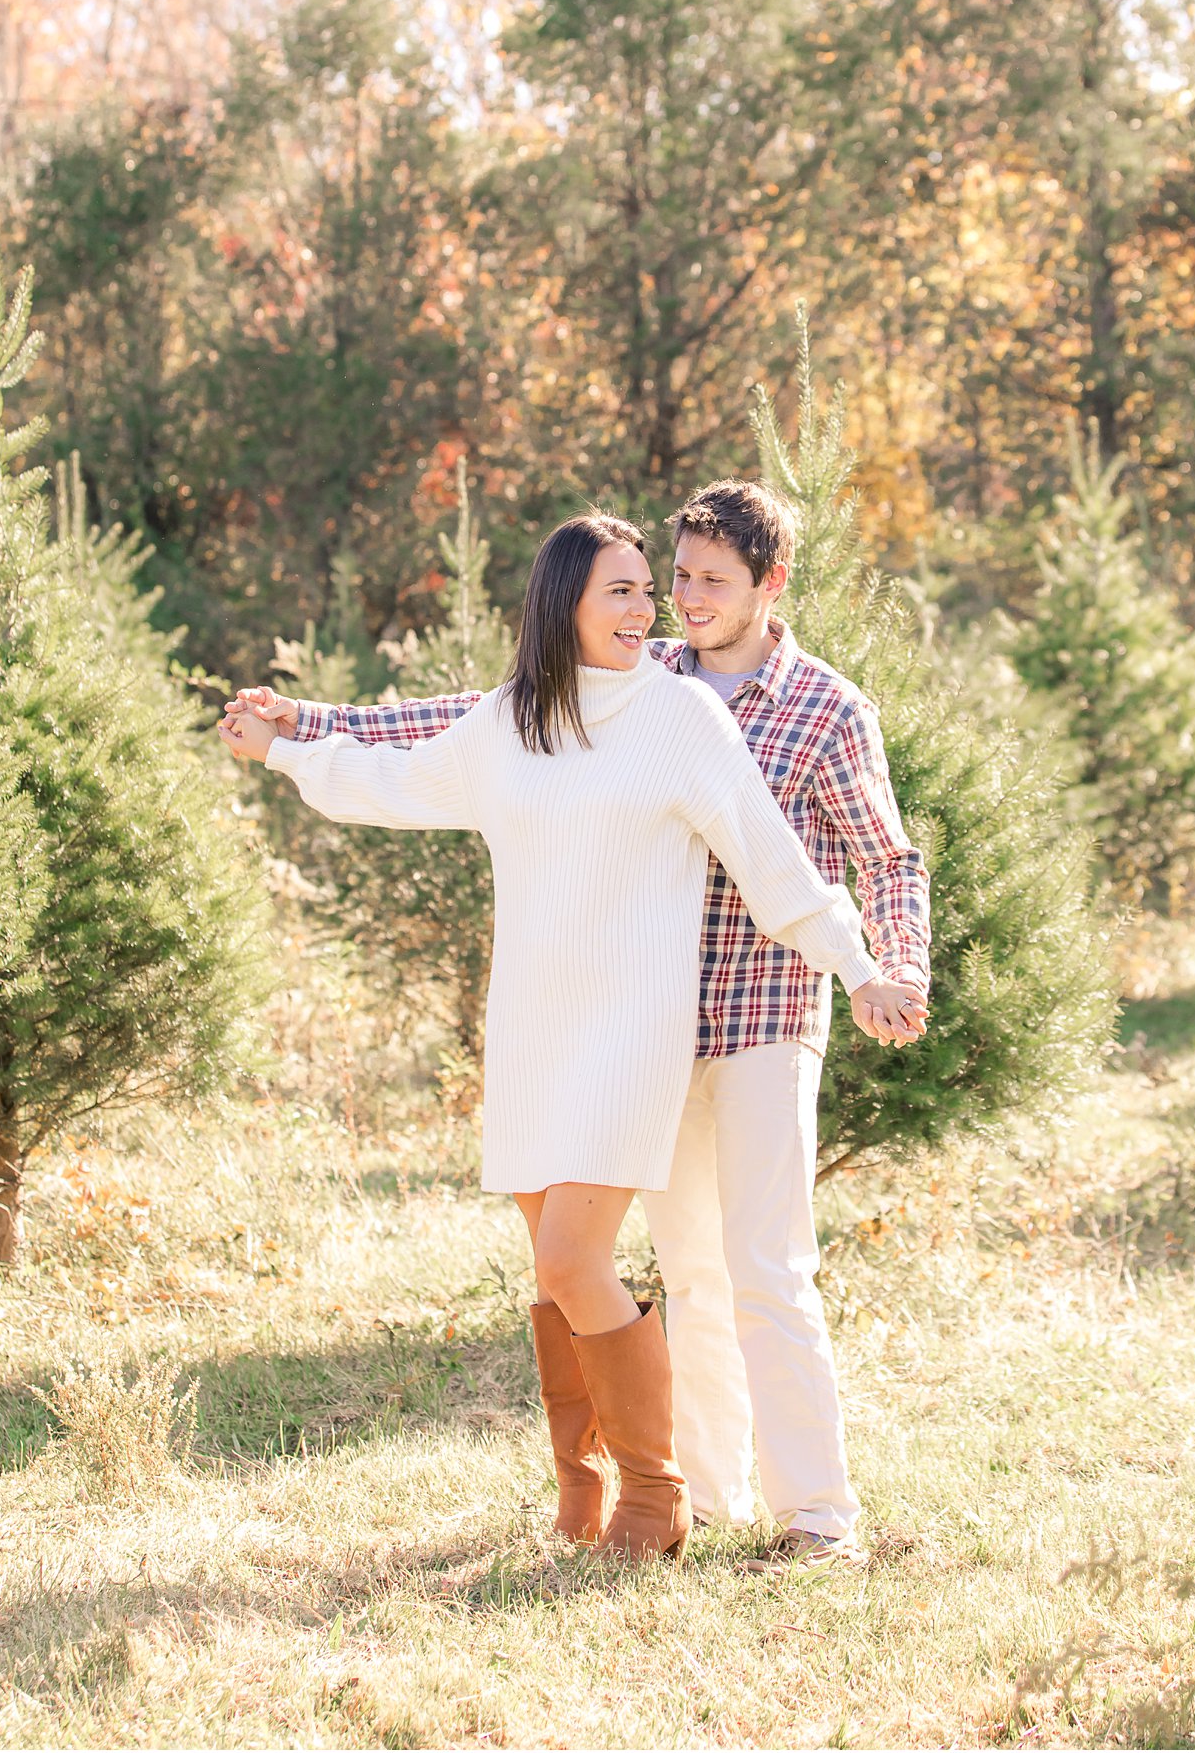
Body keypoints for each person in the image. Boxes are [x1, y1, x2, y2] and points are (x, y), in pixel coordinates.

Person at [231, 479, 931, 1574]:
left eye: (694, 583)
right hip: (591, 1029)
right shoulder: (592, 689)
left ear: (767, 585)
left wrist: (875, 968)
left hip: (745, 1016)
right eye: (662, 581)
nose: (673, 605)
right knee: (684, 1271)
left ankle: (808, 1518)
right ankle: (689, 1494)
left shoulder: (788, 709)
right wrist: (296, 734)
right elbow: (431, 743)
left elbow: (833, 863)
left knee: (760, 1267)